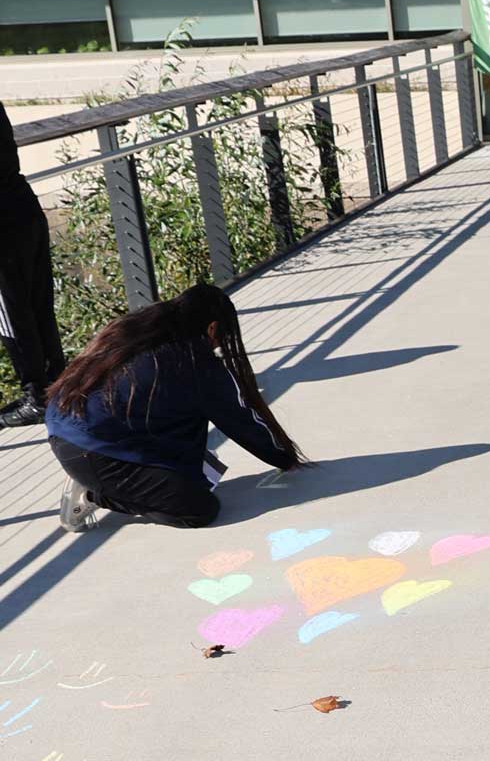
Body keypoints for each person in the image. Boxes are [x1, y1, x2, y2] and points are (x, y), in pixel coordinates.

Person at [46, 282, 303, 532]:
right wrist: (283, 457)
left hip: (65, 428)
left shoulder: (138, 330)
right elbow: (240, 419)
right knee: (198, 508)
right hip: (94, 452)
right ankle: (94, 495)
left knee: (192, 449)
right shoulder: (194, 360)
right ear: (212, 328)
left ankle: (103, 479)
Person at [0, 96, 67, 429]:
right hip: (22, 203)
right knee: (38, 303)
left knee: (13, 314)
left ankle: (36, 395)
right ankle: (57, 382)